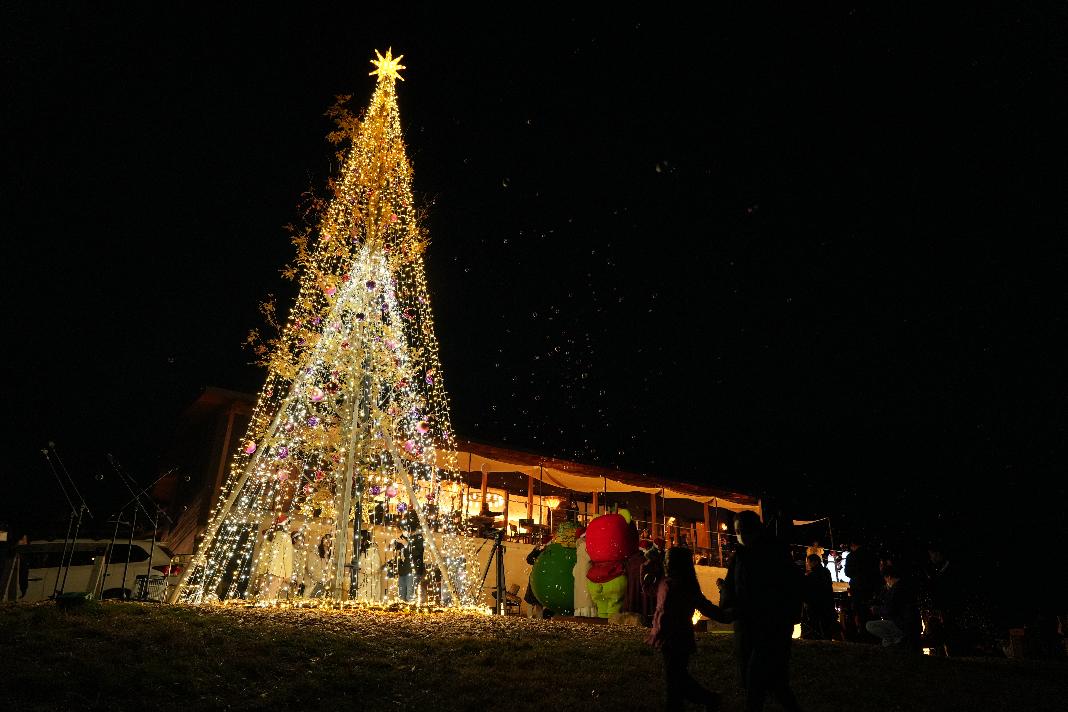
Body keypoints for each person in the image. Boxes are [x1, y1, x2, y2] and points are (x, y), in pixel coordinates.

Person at [717, 511, 803, 712]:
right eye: (737, 531)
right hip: (748, 627)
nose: (741, 535)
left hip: (770, 627)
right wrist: (726, 602)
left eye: (745, 530)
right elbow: (733, 585)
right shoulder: (740, 555)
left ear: (756, 529)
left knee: (757, 683)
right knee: (771, 684)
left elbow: (780, 590)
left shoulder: (773, 553)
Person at [642, 546, 722, 711]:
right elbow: (649, 590)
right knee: (677, 679)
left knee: (676, 681)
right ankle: (708, 699)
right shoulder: (667, 581)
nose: (667, 563)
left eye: (669, 560)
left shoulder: (683, 585)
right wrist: (647, 569)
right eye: (666, 560)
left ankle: (709, 699)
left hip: (677, 638)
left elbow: (705, 606)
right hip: (668, 638)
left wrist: (727, 615)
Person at [865, 564, 921, 651]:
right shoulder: (904, 586)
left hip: (902, 625)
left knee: (870, 626)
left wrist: (876, 609)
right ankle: (893, 643)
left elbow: (890, 609)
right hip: (909, 624)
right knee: (885, 641)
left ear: (889, 577)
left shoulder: (896, 589)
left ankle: (897, 639)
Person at [843, 539, 880, 642]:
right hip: (872, 587)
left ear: (852, 545)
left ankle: (862, 634)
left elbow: (848, 572)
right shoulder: (872, 555)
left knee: (859, 612)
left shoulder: (852, 556)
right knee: (872, 611)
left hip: (858, 587)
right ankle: (874, 635)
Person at [801, 554, 835, 640]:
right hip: (827, 603)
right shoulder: (826, 572)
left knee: (815, 626)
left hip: (816, 604)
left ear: (815, 562)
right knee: (826, 626)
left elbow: (809, 590)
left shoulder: (812, 575)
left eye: (808, 562)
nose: (808, 564)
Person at [257, 524, 294, 600]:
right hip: (278, 572)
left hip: (265, 571)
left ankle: (258, 610)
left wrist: (260, 571)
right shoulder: (286, 537)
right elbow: (287, 558)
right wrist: (288, 575)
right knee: (270, 597)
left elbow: (262, 556)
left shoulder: (269, 536)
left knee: (263, 595)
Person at [356, 529, 384, 603]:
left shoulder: (373, 550)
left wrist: (364, 570)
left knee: (368, 600)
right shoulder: (360, 550)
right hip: (361, 580)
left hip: (370, 582)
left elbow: (376, 567)